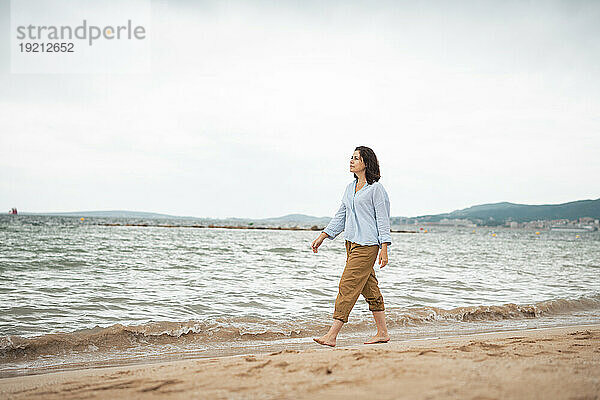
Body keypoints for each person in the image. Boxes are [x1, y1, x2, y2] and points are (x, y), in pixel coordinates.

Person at [311, 146, 392, 347]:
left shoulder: (376, 189)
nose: (352, 161)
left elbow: (382, 219)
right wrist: (324, 235)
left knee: (347, 285)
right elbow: (341, 214)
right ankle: (382, 332)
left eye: (356, 158)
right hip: (351, 244)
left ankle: (332, 335)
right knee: (369, 288)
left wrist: (384, 248)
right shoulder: (350, 188)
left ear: (366, 163)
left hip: (368, 245)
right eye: (351, 157)